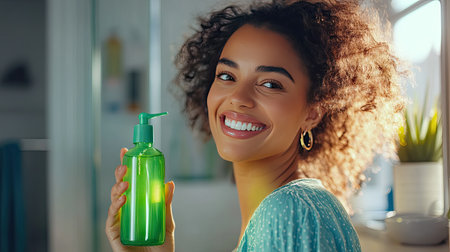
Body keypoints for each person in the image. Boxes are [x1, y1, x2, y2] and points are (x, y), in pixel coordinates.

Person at [105, 0, 406, 251]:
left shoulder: (288, 213)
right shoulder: (285, 208)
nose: (238, 97)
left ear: (312, 112)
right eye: (226, 76)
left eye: (271, 83)